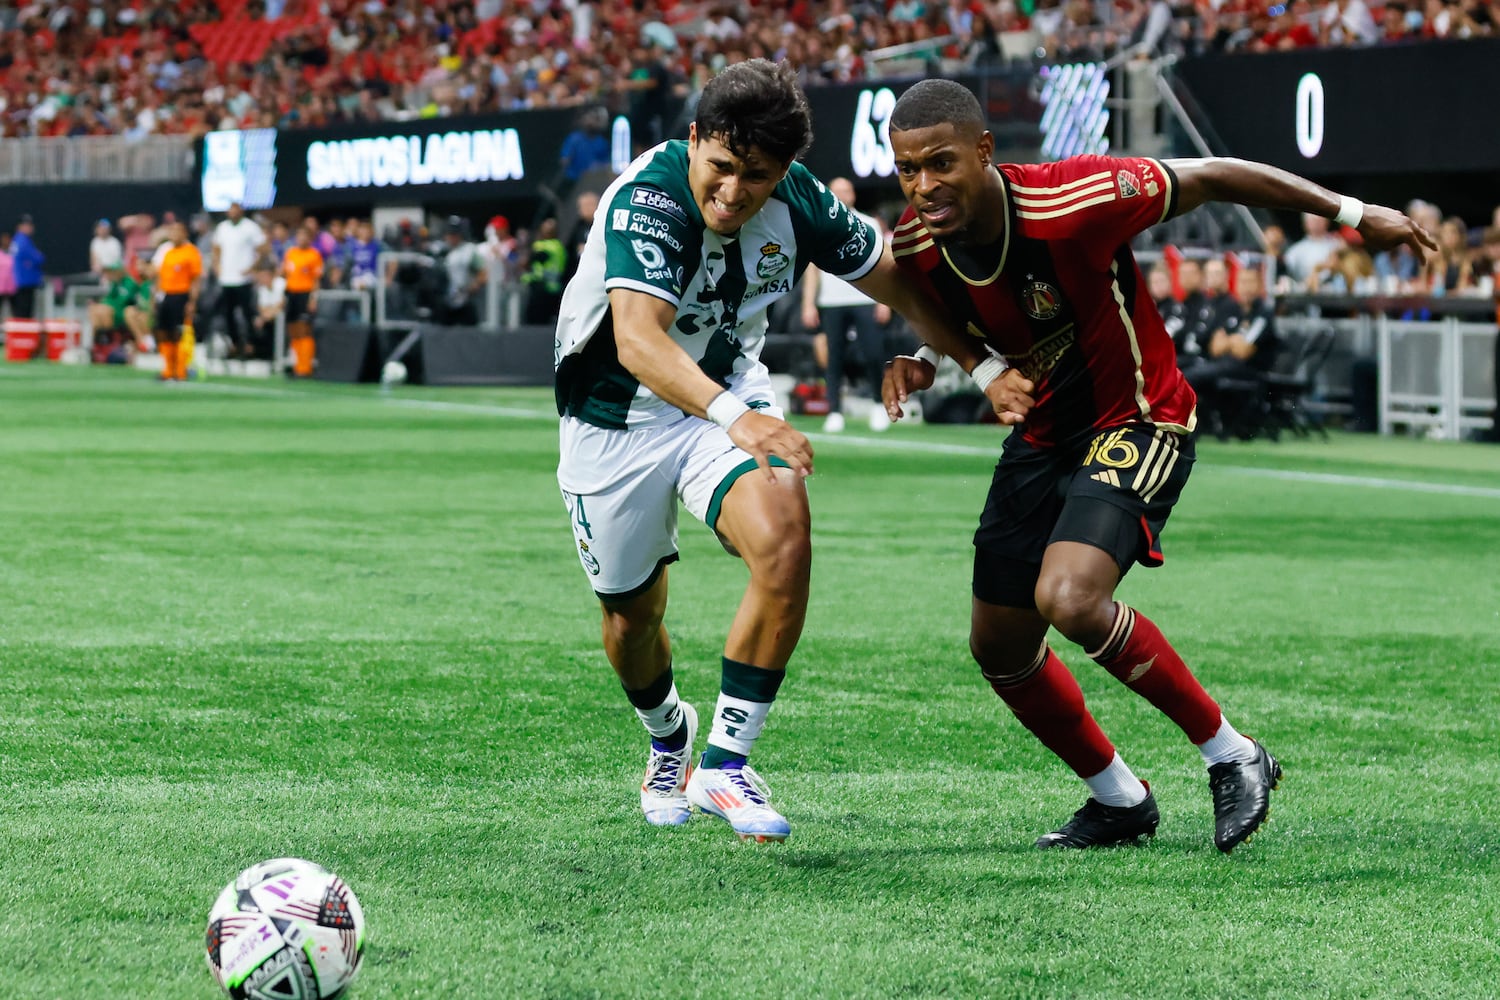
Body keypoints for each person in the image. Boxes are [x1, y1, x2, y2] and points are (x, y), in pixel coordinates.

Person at [880, 79, 1436, 852]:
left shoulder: (1075, 199)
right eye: (907, 169)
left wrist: (1350, 214)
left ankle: (1234, 754)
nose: (923, 186)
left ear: (983, 152)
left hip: (1142, 421)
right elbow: (939, 307)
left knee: (1070, 598)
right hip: (1042, 439)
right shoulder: (915, 240)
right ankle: (1118, 800)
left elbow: (1212, 174)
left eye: (940, 163)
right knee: (999, 646)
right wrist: (919, 355)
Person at [554, 60, 973, 843]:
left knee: (785, 537)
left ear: (783, 172)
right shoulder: (649, 198)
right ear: (692, 142)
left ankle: (724, 763)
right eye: (720, 168)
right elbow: (638, 341)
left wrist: (968, 362)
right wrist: (733, 417)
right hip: (615, 418)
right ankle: (668, 737)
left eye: (756, 176)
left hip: (724, 399)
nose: (733, 192)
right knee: (630, 619)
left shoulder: (801, 199)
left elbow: (902, 281)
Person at [799, 177, 893, 433]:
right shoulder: (819, 224)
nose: (841, 195)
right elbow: (812, 269)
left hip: (865, 298)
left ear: (853, 195)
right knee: (834, 359)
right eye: (836, 191)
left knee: (874, 354)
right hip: (831, 302)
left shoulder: (870, 222)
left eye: (846, 190)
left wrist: (886, 301)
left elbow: (885, 265)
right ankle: (834, 410)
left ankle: (878, 404)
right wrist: (809, 304)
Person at [211, 201, 268, 360]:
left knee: (247, 312)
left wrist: (253, 267)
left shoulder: (250, 227)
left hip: (243, 278)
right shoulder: (222, 228)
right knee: (228, 314)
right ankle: (235, 344)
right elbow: (216, 249)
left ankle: (250, 345)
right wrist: (217, 267)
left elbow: (263, 248)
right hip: (226, 278)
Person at [152, 222, 203, 382]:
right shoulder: (167, 252)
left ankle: (180, 370)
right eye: (171, 232)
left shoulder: (191, 252)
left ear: (184, 234)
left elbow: (195, 279)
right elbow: (159, 277)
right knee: (163, 332)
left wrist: (192, 301)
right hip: (166, 295)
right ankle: (168, 369)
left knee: (179, 333)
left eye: (177, 231)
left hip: (181, 295)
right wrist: (156, 296)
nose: (174, 235)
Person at [281, 226, 324, 377]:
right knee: (293, 330)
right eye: (299, 236)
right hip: (291, 293)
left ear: (309, 239)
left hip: (305, 293)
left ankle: (306, 368)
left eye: (305, 236)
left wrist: (313, 298)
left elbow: (317, 279)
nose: (301, 239)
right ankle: (296, 364)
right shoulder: (290, 253)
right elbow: (285, 275)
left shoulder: (314, 255)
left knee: (304, 329)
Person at [438, 217, 485, 326]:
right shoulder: (441, 251)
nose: (451, 237)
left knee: (469, 333)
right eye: (449, 233)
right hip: (445, 300)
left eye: (454, 233)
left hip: (465, 299)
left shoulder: (468, 250)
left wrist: (473, 286)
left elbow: (483, 272)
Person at [523, 218, 566, 325]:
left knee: (535, 321)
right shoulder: (559, 246)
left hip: (541, 287)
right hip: (555, 286)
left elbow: (528, 261)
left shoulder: (542, 246)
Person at [10, 215, 45, 319]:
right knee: (24, 314)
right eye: (27, 225)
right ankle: (22, 335)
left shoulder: (19, 240)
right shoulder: (22, 240)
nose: (30, 228)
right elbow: (39, 258)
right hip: (24, 283)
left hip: (22, 282)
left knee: (22, 313)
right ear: (20, 226)